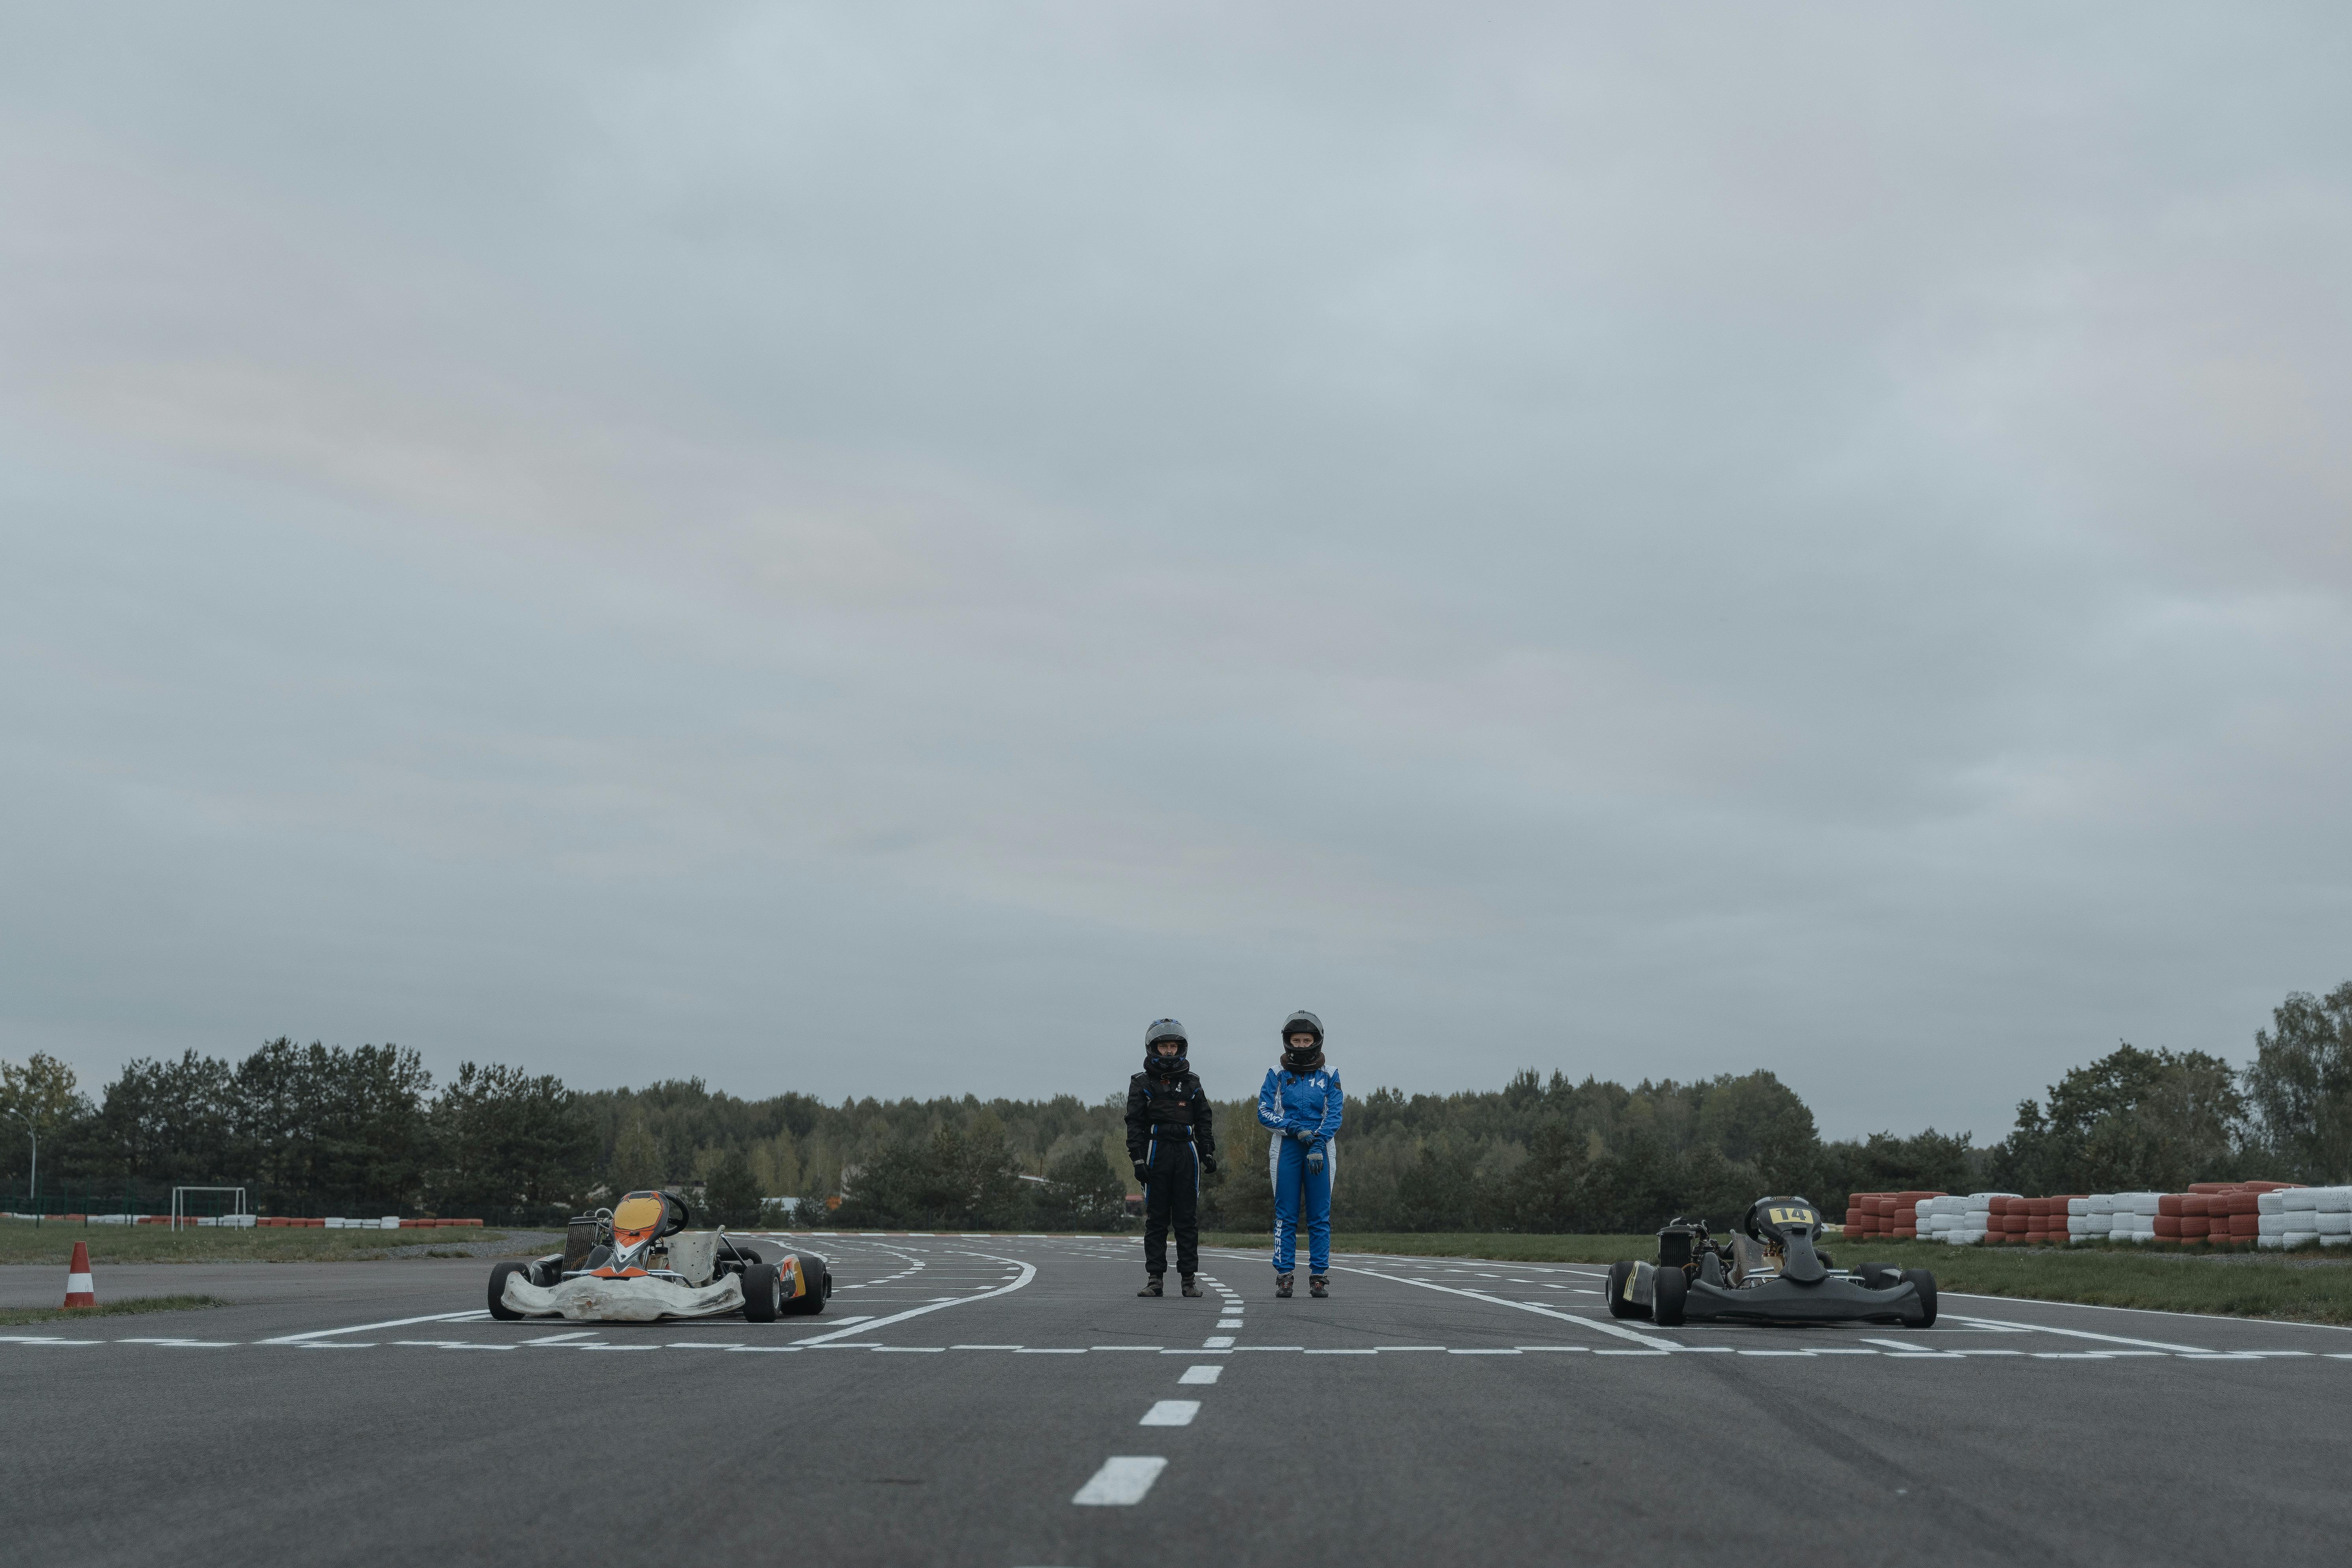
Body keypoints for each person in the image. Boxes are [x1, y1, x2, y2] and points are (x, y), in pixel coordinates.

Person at [1126, 1018, 1217, 1297]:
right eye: (1163, 1046)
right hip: (1156, 1152)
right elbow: (1134, 1123)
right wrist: (1138, 1160)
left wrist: (1208, 1151)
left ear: (1181, 1049)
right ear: (1153, 1048)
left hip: (1186, 1153)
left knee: (1186, 1220)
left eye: (1173, 1047)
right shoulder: (1141, 1083)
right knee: (1156, 1220)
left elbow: (1203, 1119)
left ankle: (1188, 1281)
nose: (1168, 1052)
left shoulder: (1192, 1083)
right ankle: (1155, 1279)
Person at [1258, 1009, 1341, 1298]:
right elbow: (1264, 1112)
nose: (1302, 1045)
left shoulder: (1330, 1074)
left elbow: (1335, 1114)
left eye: (1307, 1040)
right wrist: (1294, 1128)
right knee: (1285, 1214)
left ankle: (1318, 1275)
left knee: (1320, 1215)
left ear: (1316, 1041)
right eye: (1297, 1040)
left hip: (1321, 1148)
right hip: (1286, 1148)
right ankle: (1284, 1275)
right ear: (1287, 1041)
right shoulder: (1276, 1074)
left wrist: (1318, 1143)